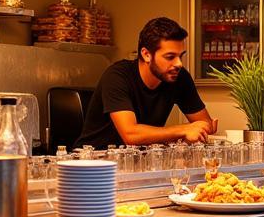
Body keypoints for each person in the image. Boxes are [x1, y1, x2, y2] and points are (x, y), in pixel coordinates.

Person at [75, 17, 216, 149]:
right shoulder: (117, 76)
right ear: (146, 54)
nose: (178, 63)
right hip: (93, 162)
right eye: (170, 57)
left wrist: (196, 132)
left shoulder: (179, 77)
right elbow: (130, 134)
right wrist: (183, 130)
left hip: (140, 162)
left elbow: (205, 124)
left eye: (181, 56)